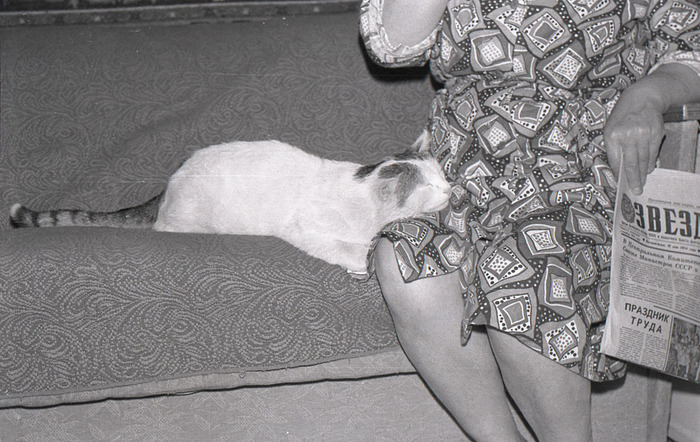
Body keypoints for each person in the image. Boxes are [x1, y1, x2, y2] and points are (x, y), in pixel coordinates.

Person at [360, 1, 700, 440]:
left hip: (576, 166)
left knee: (521, 272)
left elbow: (691, 42)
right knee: (403, 260)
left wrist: (648, 96)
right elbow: (390, 45)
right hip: (462, 167)